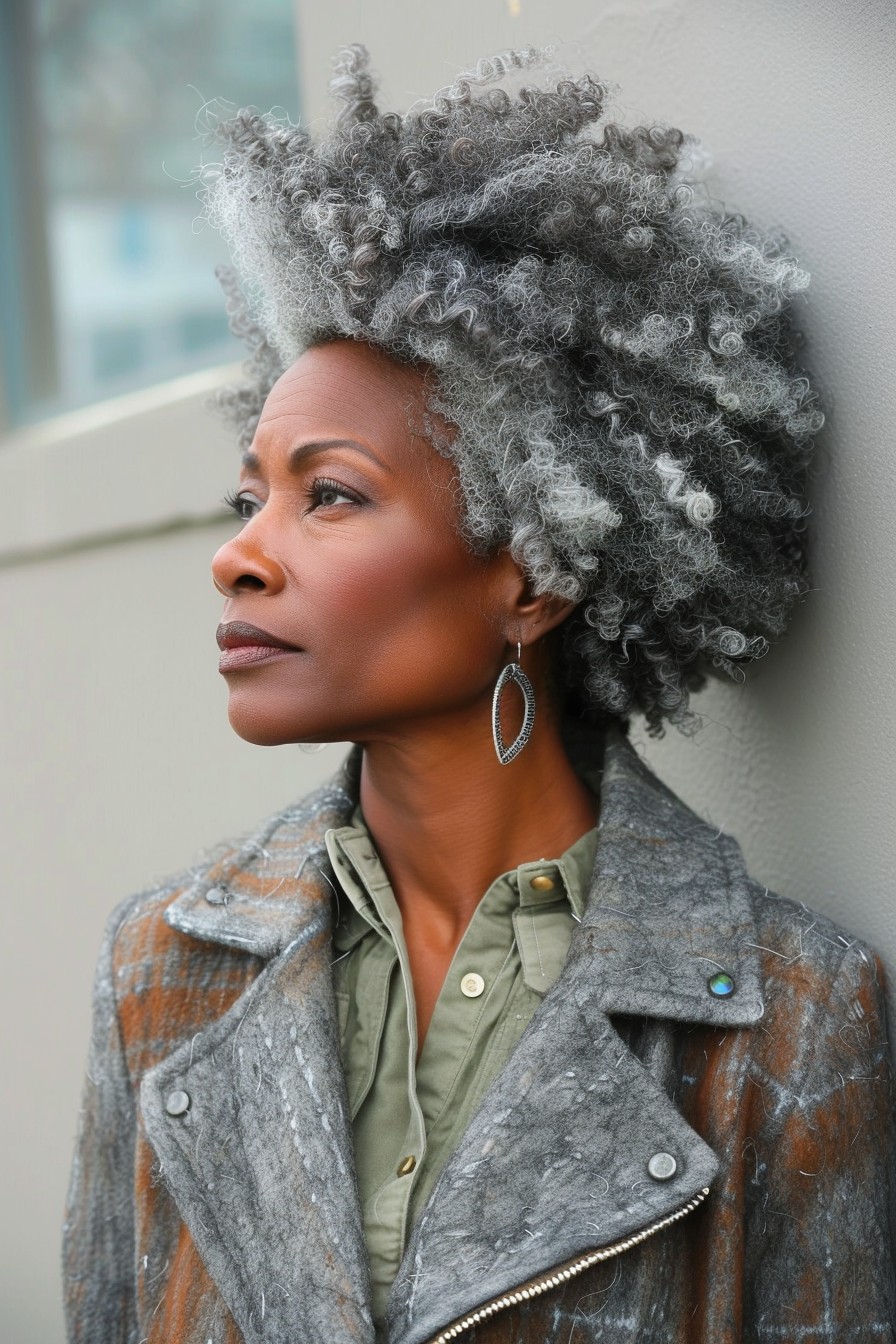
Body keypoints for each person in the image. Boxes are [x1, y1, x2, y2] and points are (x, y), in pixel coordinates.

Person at [63, 45, 894, 1344]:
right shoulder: (160, 970)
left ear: (534, 577)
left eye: (327, 494)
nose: (237, 551)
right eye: (250, 497)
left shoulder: (791, 1020)